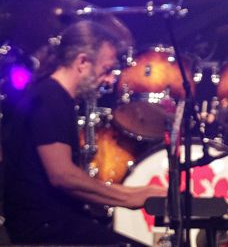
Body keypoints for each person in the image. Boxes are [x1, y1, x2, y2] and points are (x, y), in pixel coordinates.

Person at [2, 19, 166, 244]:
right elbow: (63, 176)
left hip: (56, 224)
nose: (110, 80)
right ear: (82, 62)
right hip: (44, 229)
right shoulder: (49, 98)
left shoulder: (57, 97)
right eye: (106, 70)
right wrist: (128, 196)